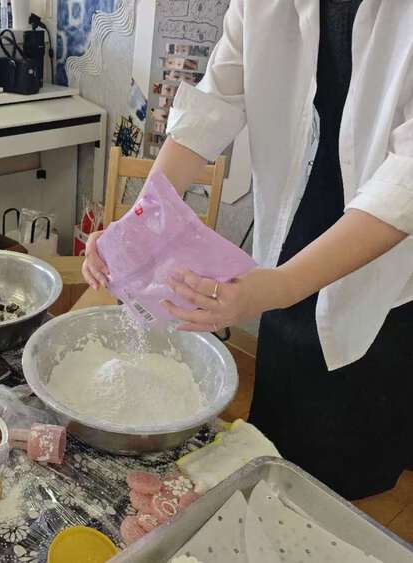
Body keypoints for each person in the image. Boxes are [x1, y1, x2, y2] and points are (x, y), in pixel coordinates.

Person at [82, 0, 413, 500]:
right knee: (277, 448)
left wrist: (282, 285)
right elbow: (211, 105)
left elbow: (405, 179)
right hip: (287, 241)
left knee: (340, 475)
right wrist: (138, 226)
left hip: (382, 263)